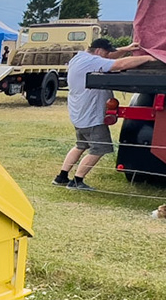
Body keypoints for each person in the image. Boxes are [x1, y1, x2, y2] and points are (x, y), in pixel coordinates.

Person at [52, 38, 155, 190]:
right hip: (92, 116)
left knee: (81, 145)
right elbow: (120, 64)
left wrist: (126, 49)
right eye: (106, 53)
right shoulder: (91, 61)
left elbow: (109, 57)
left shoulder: (80, 58)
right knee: (100, 148)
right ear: (99, 51)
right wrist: (147, 58)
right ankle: (77, 181)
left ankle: (61, 176)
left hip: (80, 114)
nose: (108, 56)